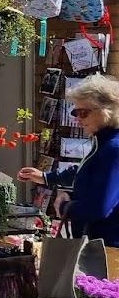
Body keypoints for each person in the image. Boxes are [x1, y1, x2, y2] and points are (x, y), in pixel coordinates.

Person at [19, 74, 119, 247]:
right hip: (100, 246)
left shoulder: (113, 148)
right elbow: (87, 174)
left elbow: (99, 207)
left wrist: (66, 206)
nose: (77, 119)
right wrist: (47, 177)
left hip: (108, 249)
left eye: (83, 113)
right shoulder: (103, 143)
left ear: (105, 110)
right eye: (75, 112)